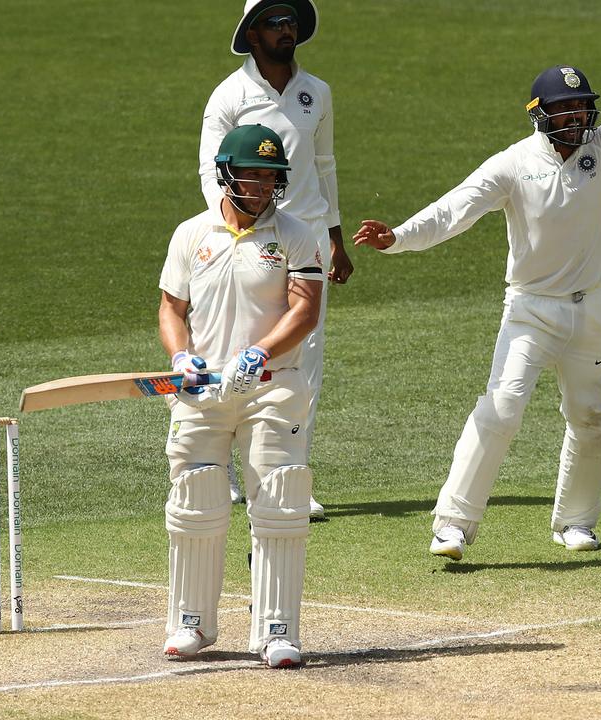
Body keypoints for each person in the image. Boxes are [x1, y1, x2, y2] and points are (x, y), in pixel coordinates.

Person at [353, 22, 601, 561]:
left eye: (584, 109)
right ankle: (453, 525)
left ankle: (576, 522)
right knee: (502, 408)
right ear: (541, 114)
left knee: (593, 418)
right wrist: (397, 238)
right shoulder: (513, 163)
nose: (580, 120)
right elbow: (454, 210)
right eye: (568, 111)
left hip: (593, 307)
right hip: (531, 310)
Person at [159, 124, 324, 666]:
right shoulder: (191, 233)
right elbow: (171, 309)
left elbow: (305, 309)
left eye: (271, 176)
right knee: (195, 495)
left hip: (271, 387)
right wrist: (181, 357)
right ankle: (191, 623)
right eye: (251, 173)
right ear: (226, 172)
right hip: (202, 390)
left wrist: (260, 354)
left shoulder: (297, 234)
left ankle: (277, 631)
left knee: (278, 499)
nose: (260, 186)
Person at [200, 0, 351, 515]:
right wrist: (234, 232)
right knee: (234, 353)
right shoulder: (229, 95)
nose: (286, 30)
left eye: (290, 22)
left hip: (304, 240)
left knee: (302, 364)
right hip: (245, 241)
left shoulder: (318, 92)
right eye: (274, 22)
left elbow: (324, 166)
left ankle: (289, 480)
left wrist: (335, 236)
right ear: (252, 31)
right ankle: (219, 474)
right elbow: (209, 173)